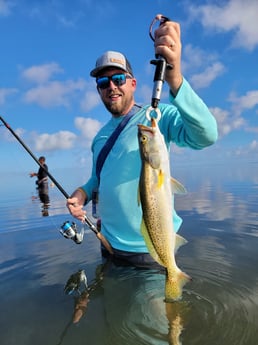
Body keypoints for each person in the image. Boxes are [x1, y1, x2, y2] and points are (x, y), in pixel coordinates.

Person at [67, 16, 218, 268]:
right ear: (98, 90)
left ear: (133, 84)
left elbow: (206, 135)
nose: (111, 87)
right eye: (103, 82)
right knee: (114, 309)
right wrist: (81, 194)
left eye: (119, 79)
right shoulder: (100, 137)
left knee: (151, 308)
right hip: (108, 246)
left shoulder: (156, 117)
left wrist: (175, 79)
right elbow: (98, 179)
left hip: (149, 251)